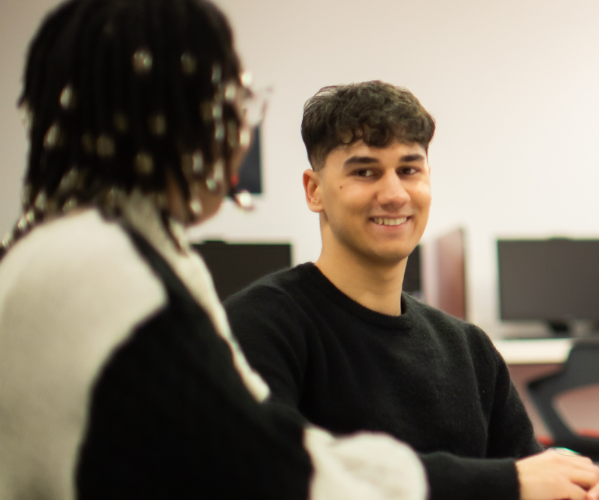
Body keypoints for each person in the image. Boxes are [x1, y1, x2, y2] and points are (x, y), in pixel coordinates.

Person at [0, 1, 429, 498]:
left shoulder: (112, 250)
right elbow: (266, 474)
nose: (239, 135)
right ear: (161, 122)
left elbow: (270, 439)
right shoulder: (98, 269)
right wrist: (498, 482)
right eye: (226, 103)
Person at [223, 81, 599, 500]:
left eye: (409, 170)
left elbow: (528, 479)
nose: (394, 194)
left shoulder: (468, 349)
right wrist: (507, 483)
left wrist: (578, 492)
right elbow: (272, 475)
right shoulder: (263, 324)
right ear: (314, 190)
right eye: (365, 172)